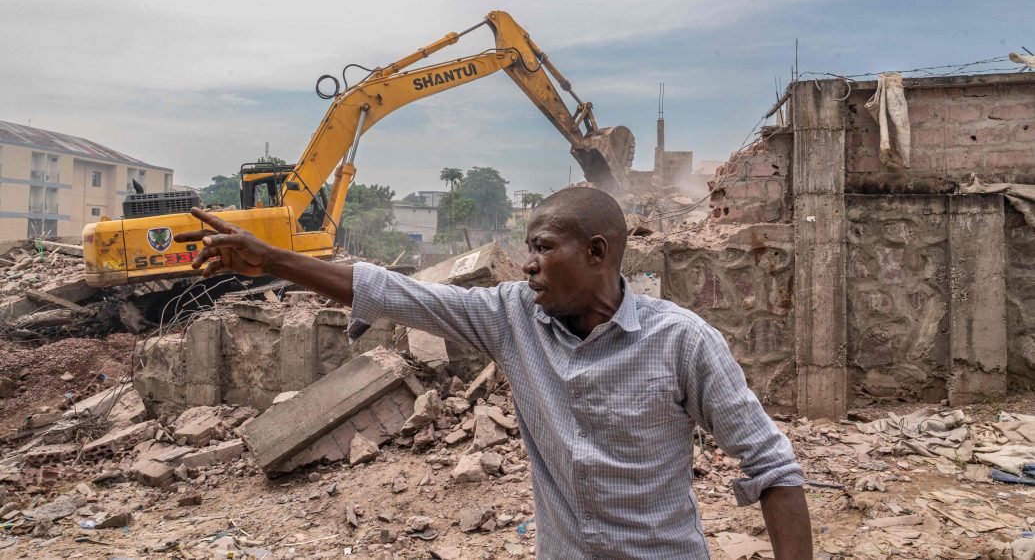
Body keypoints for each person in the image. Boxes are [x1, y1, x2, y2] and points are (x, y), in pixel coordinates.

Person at [175, 186, 812, 559]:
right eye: (527, 248)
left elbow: (773, 469)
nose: (528, 265)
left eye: (543, 248)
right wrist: (275, 260)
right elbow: (393, 291)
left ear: (597, 253)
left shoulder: (682, 343)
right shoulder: (510, 318)